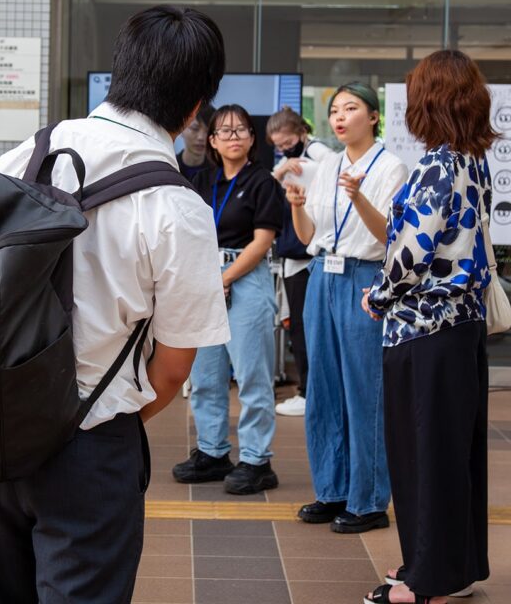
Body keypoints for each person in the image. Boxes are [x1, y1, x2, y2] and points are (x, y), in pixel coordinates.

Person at [0, 5, 230, 603]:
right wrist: (105, 424)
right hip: (90, 441)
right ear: (196, 105)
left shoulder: (27, 154)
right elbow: (173, 369)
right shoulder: (180, 210)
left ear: (118, 72)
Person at [361, 50, 496, 604]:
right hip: (461, 328)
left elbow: (414, 249)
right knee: (454, 453)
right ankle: (449, 566)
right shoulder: (472, 160)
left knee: (421, 456)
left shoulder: (438, 164)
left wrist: (380, 293)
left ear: (429, 101)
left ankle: (425, 580)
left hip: (423, 331)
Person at [285, 82, 408, 533]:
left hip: (364, 277)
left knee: (364, 388)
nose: (340, 117)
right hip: (322, 275)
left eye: (350, 108)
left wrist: (358, 197)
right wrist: (297, 207)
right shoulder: (328, 165)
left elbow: (389, 237)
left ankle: (370, 500)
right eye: (334, 110)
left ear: (373, 117)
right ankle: (332, 490)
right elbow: (306, 236)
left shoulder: (393, 168)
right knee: (323, 387)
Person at [171, 103, 284, 495]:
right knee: (204, 375)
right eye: (225, 131)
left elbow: (263, 240)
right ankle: (213, 451)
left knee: (252, 376)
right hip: (205, 280)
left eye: (241, 130)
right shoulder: (202, 181)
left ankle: (256, 459)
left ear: (252, 139)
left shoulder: (262, 182)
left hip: (246, 278)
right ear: (213, 141)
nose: (233, 136)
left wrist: (224, 278)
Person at [267, 106, 332, 417]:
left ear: (300, 132)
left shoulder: (317, 151)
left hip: (308, 252)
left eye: (287, 141)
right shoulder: (288, 160)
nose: (284, 149)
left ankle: (310, 392)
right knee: (299, 326)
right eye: (278, 145)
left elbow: (333, 172)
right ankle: (310, 390)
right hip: (295, 253)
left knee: (305, 328)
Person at [177, 103, 215, 181]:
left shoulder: (219, 172)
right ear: (181, 129)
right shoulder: (169, 167)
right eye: (195, 128)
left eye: (208, 131)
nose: (201, 137)